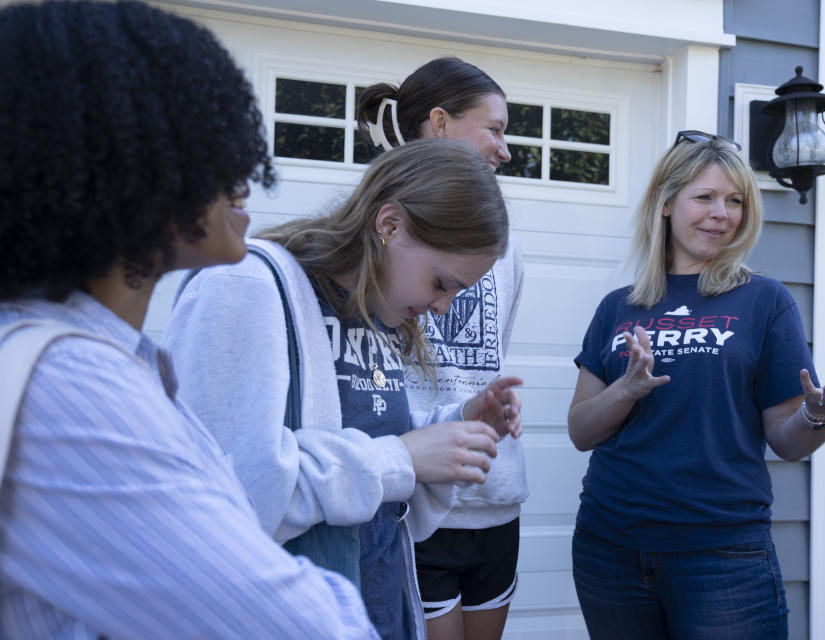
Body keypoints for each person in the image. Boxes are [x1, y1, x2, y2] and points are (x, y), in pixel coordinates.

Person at [0, 1, 379, 638]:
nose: (244, 168)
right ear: (115, 162)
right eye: (204, 135)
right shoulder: (71, 383)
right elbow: (303, 628)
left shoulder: (77, 356)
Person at [164, 137, 521, 640]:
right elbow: (224, 490)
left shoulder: (376, 313)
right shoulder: (244, 286)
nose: (443, 307)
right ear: (389, 224)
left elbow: (365, 439)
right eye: (442, 283)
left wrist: (456, 427)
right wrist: (403, 457)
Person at [567, 131, 825, 639]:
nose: (721, 213)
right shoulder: (618, 306)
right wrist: (625, 390)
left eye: (735, 200)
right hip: (609, 548)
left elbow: (786, 442)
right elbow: (581, 431)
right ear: (666, 203)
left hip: (722, 556)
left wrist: (818, 413)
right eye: (705, 197)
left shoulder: (764, 301)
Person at [357, 57, 526, 640]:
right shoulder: (377, 232)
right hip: (413, 500)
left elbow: (491, 355)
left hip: (495, 496)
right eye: (496, 128)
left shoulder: (507, 244)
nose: (506, 148)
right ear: (441, 123)